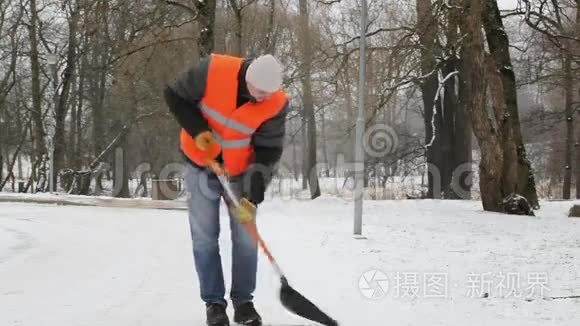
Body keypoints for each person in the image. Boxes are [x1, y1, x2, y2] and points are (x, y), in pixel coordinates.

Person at [164, 53, 289, 326]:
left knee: (246, 239)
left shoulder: (276, 103)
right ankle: (214, 304)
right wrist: (199, 132)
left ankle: (244, 304)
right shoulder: (212, 69)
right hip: (200, 164)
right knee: (205, 237)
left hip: (242, 173)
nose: (261, 99)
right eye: (258, 92)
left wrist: (252, 194)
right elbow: (173, 95)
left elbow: (268, 151)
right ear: (248, 78)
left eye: (268, 94)